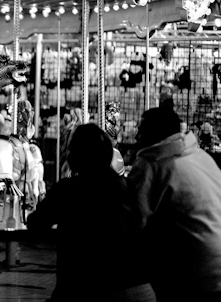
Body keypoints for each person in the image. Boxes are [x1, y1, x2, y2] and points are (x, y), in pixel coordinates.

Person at [27, 123, 155, 302]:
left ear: (76, 156)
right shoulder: (127, 187)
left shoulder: (68, 190)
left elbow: (36, 224)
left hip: (89, 287)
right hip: (138, 285)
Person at [129, 107, 221, 301]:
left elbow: (134, 221)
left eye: (142, 130)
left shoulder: (150, 165)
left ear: (157, 134)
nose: (137, 136)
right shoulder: (201, 157)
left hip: (192, 274)